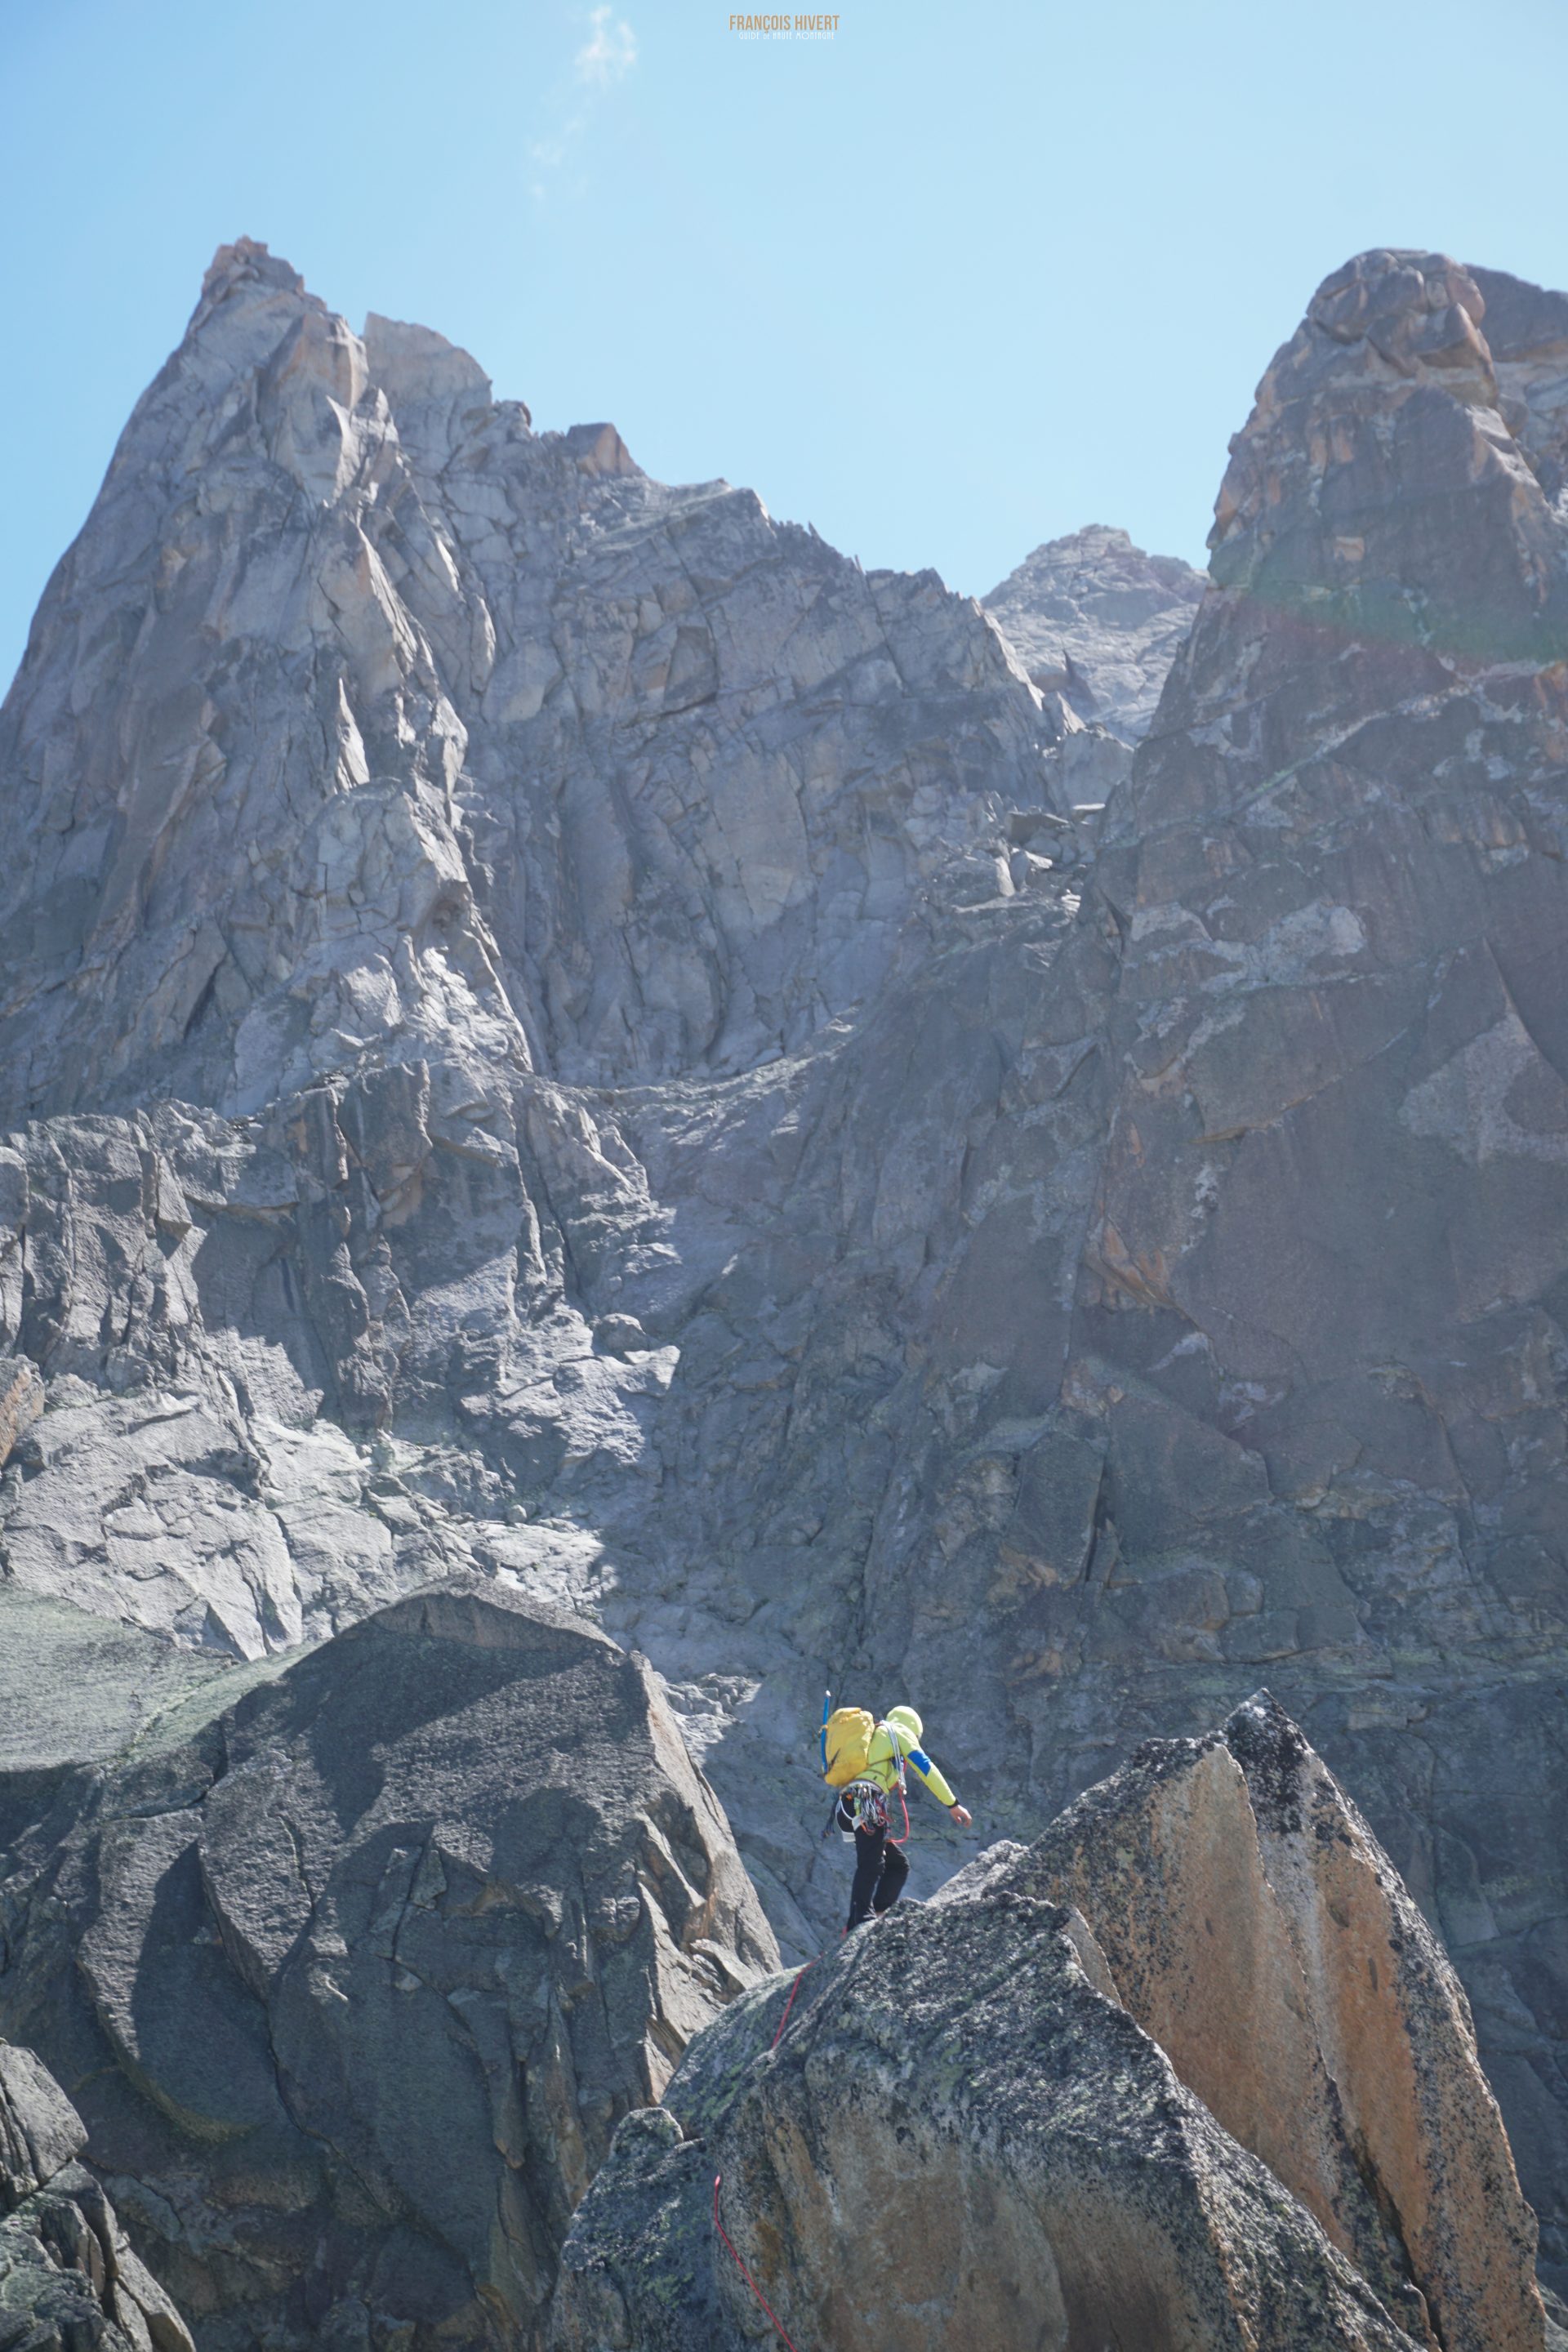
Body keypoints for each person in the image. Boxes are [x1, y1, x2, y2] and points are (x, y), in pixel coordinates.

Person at [831, 1705, 972, 1933]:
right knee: (872, 1864)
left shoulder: (876, 1734)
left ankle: (876, 1915)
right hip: (867, 1802)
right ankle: (859, 1921)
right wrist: (953, 1804)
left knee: (897, 1865)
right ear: (913, 1730)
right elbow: (926, 1768)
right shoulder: (900, 1732)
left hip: (848, 1806)